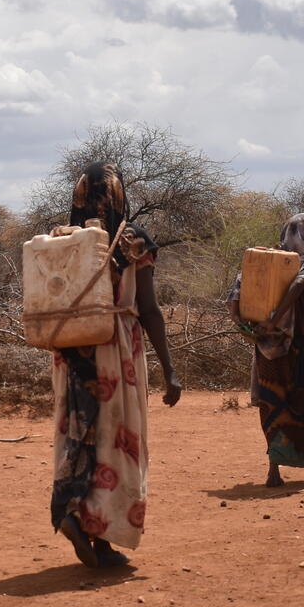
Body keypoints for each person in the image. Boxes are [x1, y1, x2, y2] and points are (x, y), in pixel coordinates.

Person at [49, 162, 182, 569]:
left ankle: (75, 511)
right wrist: (170, 369)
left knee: (78, 432)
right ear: (119, 195)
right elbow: (150, 310)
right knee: (117, 441)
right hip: (116, 348)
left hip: (71, 350)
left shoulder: (59, 239)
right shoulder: (133, 242)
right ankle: (103, 531)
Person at [229, 212, 304, 486]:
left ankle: (274, 471)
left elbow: (235, 294)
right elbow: (301, 283)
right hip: (302, 347)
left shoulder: (263, 261)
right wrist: (277, 316)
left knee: (273, 403)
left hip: (267, 349)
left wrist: (249, 328)